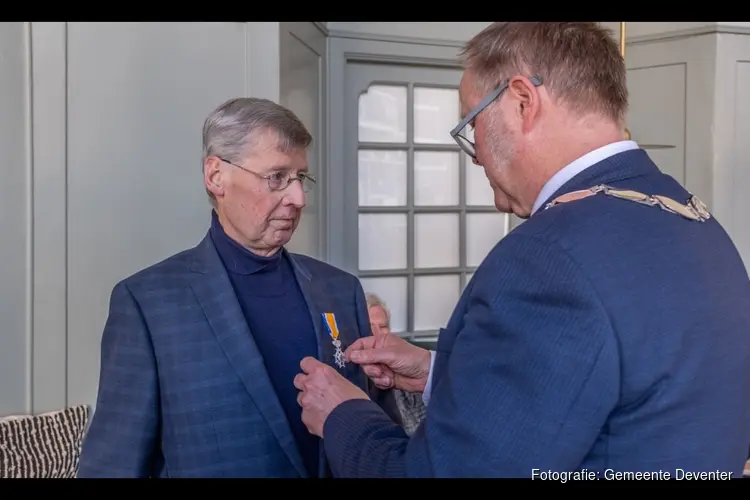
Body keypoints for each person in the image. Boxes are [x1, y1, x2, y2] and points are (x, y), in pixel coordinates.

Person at [293, 22, 750, 478]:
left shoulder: (547, 259)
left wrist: (344, 415)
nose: (476, 156)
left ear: (522, 102)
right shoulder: (693, 219)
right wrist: (439, 373)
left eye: (472, 125)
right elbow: (599, 389)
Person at [77, 97, 400, 478]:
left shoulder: (341, 290)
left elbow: (383, 438)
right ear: (216, 176)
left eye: (301, 178)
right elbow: (113, 465)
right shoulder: (147, 304)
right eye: (276, 177)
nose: (297, 198)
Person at [365, 292, 426, 435]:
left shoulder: (406, 368)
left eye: (383, 326)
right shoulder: (349, 374)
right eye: (370, 326)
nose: (378, 333)